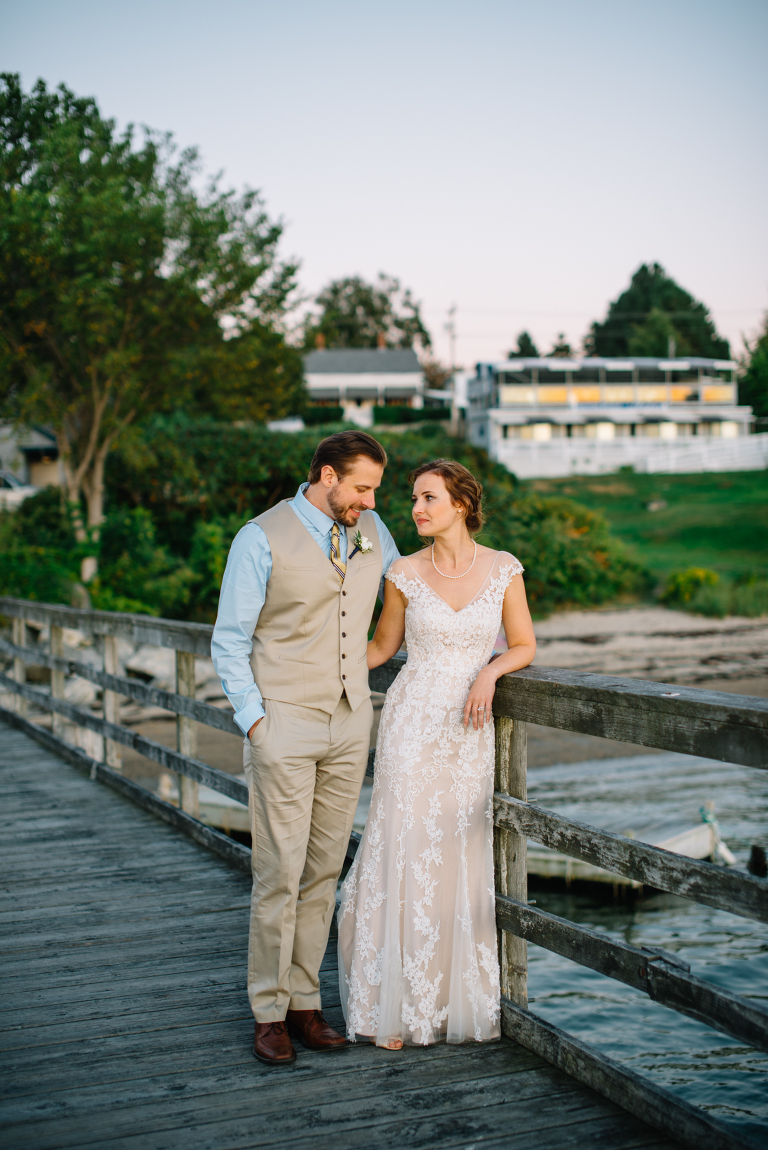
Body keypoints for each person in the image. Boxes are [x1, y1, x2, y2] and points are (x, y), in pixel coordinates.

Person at [211, 430, 400, 1065]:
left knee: (324, 870)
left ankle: (305, 1003)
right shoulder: (259, 537)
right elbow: (229, 639)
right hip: (283, 724)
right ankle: (267, 1010)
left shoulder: (373, 532)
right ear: (325, 476)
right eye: (361, 487)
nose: (371, 501)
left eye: (376, 488)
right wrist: (255, 721)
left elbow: (409, 595)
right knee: (279, 873)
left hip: (350, 723)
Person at [337, 458, 536, 1049]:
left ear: (460, 505)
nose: (416, 508)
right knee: (402, 850)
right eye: (415, 499)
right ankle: (387, 1007)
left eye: (428, 498)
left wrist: (491, 672)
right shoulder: (402, 571)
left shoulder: (503, 569)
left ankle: (445, 1001)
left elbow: (524, 644)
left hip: (467, 730)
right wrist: (320, 665)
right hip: (411, 723)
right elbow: (380, 647)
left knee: (457, 854)